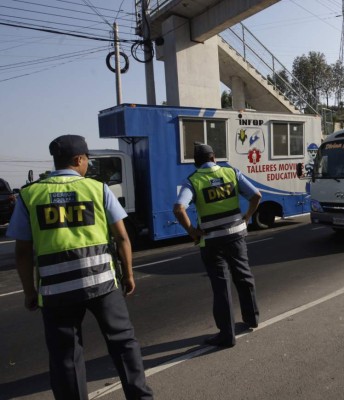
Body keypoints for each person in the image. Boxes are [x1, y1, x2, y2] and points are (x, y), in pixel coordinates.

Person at [7, 135, 152, 399]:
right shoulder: (97, 189)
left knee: (66, 356)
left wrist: (30, 291)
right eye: (87, 160)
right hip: (102, 284)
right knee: (123, 344)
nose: (88, 166)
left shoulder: (30, 195)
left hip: (55, 292)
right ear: (78, 159)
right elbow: (122, 237)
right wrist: (128, 274)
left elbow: (23, 252)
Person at [173, 143, 262, 348]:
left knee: (221, 287)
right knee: (244, 276)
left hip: (212, 241)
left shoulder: (193, 181)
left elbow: (179, 209)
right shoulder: (232, 173)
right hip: (236, 236)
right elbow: (256, 195)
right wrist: (247, 216)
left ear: (196, 163)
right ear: (214, 158)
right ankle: (252, 319)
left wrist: (192, 232)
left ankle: (226, 334)